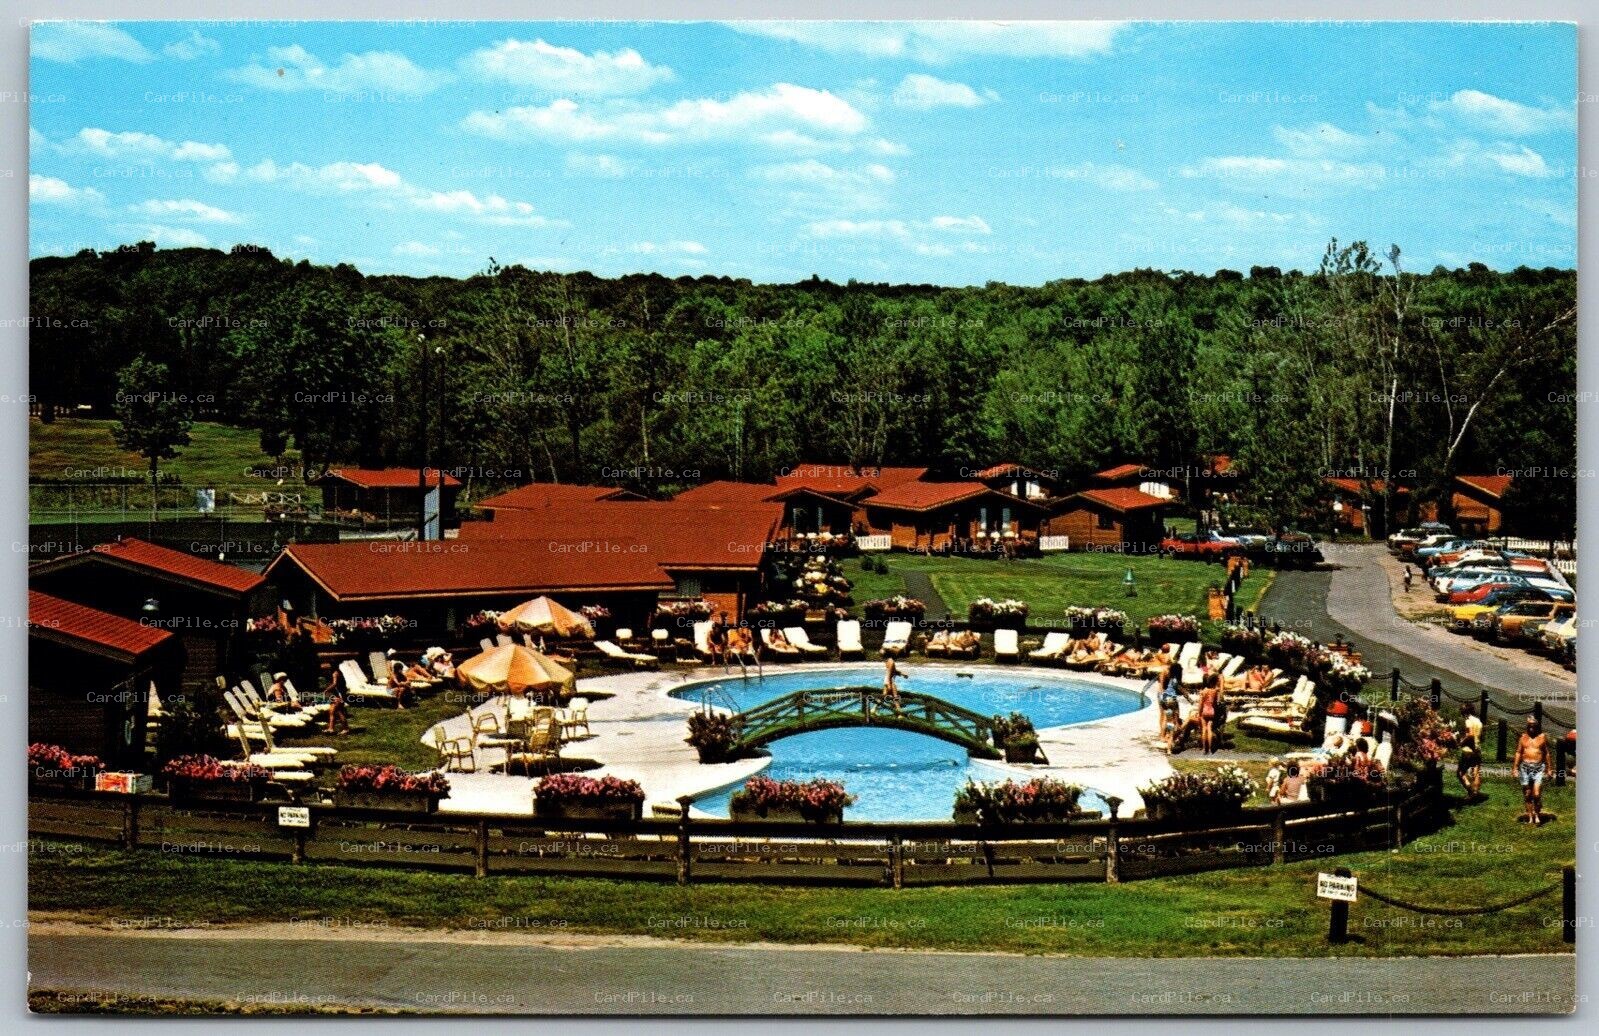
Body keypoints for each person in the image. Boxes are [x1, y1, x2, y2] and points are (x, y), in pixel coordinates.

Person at [1512, 716, 1549, 825]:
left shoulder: (1542, 738)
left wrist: (1549, 768)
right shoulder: (1523, 738)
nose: (1531, 729)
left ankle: (1537, 813)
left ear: (1537, 727)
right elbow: (1518, 752)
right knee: (1528, 794)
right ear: (1527, 727)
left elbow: (1546, 753)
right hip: (1525, 768)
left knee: (1536, 794)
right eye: (1529, 727)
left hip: (1538, 768)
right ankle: (1530, 816)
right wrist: (1515, 768)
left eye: (1533, 727)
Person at [1457, 702, 1483, 800]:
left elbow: (1470, 734)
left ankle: (1470, 791)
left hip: (1468, 750)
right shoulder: (1478, 721)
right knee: (1476, 772)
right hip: (1477, 749)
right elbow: (1478, 735)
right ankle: (1476, 793)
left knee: (1460, 773)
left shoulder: (1468, 720)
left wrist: (1461, 742)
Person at [324, 666, 350, 736]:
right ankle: (331, 728)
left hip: (338, 695)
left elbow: (334, 684)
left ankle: (344, 729)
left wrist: (326, 690)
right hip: (338, 695)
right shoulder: (337, 673)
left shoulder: (335, 673)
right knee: (334, 711)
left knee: (338, 712)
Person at [1197, 677, 1220, 755]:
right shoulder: (1215, 691)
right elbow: (1215, 704)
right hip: (1211, 711)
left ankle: (1204, 749)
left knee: (1204, 729)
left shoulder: (1204, 691)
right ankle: (1210, 749)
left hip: (1204, 711)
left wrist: (1199, 713)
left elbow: (1200, 704)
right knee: (1209, 729)